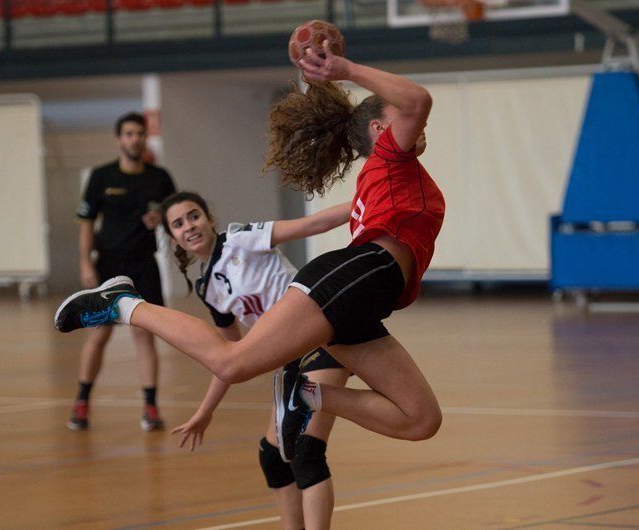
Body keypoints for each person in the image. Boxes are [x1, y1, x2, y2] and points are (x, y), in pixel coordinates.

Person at [56, 44, 444, 462]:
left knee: (420, 419)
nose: (417, 123)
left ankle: (305, 394)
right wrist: (343, 69)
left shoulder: (385, 170)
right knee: (231, 363)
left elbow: (410, 109)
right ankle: (125, 304)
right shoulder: (391, 157)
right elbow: (418, 99)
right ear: (379, 131)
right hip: (359, 277)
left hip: (370, 298)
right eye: (397, 116)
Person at [160, 191, 350, 530]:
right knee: (274, 457)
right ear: (174, 238)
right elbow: (230, 357)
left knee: (306, 451)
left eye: (194, 216)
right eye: (178, 224)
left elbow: (312, 223)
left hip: (324, 341)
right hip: (291, 361)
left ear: (210, 219)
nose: (189, 226)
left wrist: (366, 203)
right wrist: (206, 411)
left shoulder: (240, 238)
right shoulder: (210, 289)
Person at [68, 111, 176, 432]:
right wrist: (85, 262)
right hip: (108, 265)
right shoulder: (101, 177)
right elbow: (87, 223)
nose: (135, 139)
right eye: (128, 134)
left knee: (144, 335)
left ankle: (150, 407)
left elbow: (174, 216)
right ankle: (82, 401)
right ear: (119, 139)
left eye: (139, 133)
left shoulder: (160, 178)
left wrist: (163, 221)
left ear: (146, 138)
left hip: (144, 264)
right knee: (99, 334)